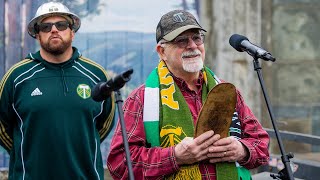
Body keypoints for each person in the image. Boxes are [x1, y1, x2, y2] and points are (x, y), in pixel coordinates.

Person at [107, 9, 269, 180]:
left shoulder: (225, 91)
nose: (192, 46)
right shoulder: (142, 98)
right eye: (181, 40)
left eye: (197, 38)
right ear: (162, 52)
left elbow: (261, 145)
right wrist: (174, 156)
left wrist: (242, 150)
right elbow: (119, 165)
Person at [0, 2, 115, 179]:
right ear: (37, 35)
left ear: (72, 31)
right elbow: (3, 128)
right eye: (46, 26)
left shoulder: (96, 75)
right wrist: (26, 148)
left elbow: (103, 125)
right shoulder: (16, 76)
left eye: (61, 25)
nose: (54, 30)